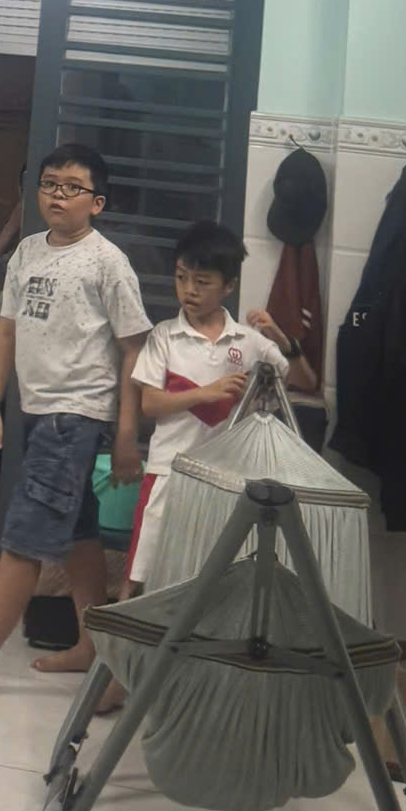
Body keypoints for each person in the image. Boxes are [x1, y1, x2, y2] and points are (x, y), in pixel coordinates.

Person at [0, 143, 149, 703]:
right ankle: (93, 648)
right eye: (50, 184)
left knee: (25, 540)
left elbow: (135, 349)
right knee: (78, 535)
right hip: (35, 411)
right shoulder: (28, 252)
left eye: (72, 187)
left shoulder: (108, 263)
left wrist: (127, 435)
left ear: (96, 202)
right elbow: (6, 330)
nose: (58, 195)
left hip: (75, 417)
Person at [122, 219, 302, 595]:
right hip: (168, 471)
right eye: (181, 277)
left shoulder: (248, 341)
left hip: (226, 479)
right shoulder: (164, 336)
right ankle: (122, 634)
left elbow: (301, 380)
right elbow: (150, 404)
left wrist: (281, 339)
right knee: (140, 575)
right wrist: (205, 393)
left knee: (208, 579)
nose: (189, 290)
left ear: (228, 286)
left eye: (202, 282)